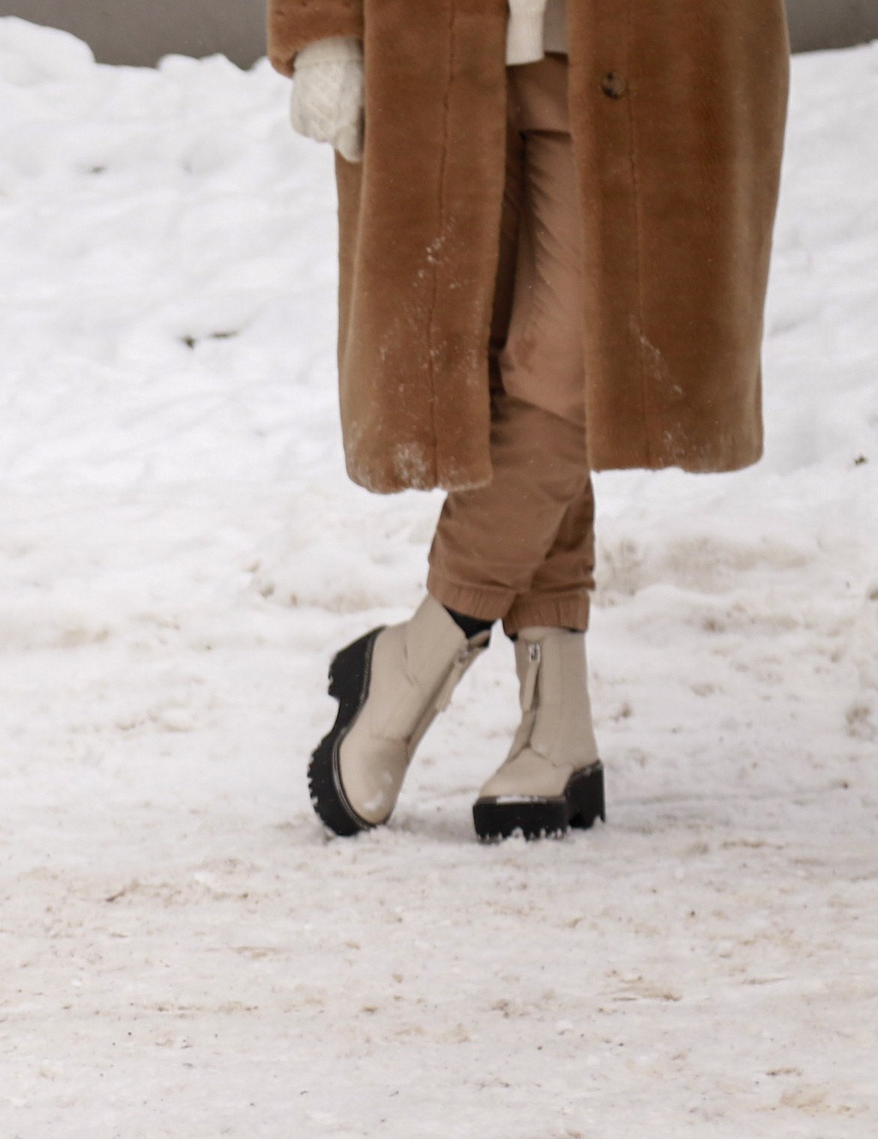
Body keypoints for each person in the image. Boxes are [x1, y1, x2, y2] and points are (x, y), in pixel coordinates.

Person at [273, 1, 788, 838]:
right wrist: (320, 26)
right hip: (440, 38)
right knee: (503, 372)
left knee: (571, 370)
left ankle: (417, 656)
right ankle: (557, 720)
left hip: (662, 37)